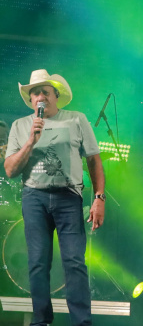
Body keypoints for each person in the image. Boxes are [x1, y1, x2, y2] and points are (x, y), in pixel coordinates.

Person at [3, 70, 105, 326]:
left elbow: (94, 159)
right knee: (37, 263)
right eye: (35, 92)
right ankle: (41, 321)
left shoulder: (76, 119)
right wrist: (30, 141)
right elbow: (11, 170)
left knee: (74, 263)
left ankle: (81, 322)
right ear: (31, 99)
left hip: (68, 197)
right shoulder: (21, 126)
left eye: (45, 92)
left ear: (55, 95)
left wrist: (99, 197)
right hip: (34, 197)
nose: (40, 97)